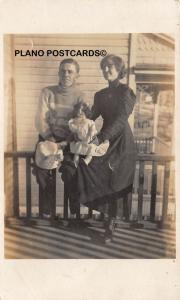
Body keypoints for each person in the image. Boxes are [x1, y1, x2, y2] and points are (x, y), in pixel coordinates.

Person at [60, 54, 137, 242]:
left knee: (115, 181)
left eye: (110, 67)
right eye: (104, 67)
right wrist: (74, 128)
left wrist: (101, 137)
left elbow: (120, 120)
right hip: (104, 141)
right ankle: (82, 217)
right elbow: (89, 117)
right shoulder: (100, 95)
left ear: (119, 70)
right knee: (84, 170)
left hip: (121, 144)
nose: (106, 70)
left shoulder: (126, 92)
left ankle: (110, 224)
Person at [34, 58, 85, 218]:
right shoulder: (47, 92)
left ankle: (74, 214)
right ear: (58, 72)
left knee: (71, 172)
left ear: (77, 75)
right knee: (42, 172)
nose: (66, 74)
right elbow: (40, 119)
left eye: (70, 71)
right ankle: (47, 212)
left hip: (69, 141)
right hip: (48, 139)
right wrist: (50, 139)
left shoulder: (79, 96)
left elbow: (79, 123)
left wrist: (66, 142)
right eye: (63, 70)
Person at [68, 101, 109, 167]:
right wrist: (75, 133)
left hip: (90, 139)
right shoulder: (74, 121)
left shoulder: (89, 121)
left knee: (91, 148)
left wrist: (90, 135)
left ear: (86, 112)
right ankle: (75, 161)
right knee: (77, 149)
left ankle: (87, 160)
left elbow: (92, 129)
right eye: (78, 110)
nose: (80, 112)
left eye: (82, 111)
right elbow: (72, 128)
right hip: (80, 139)